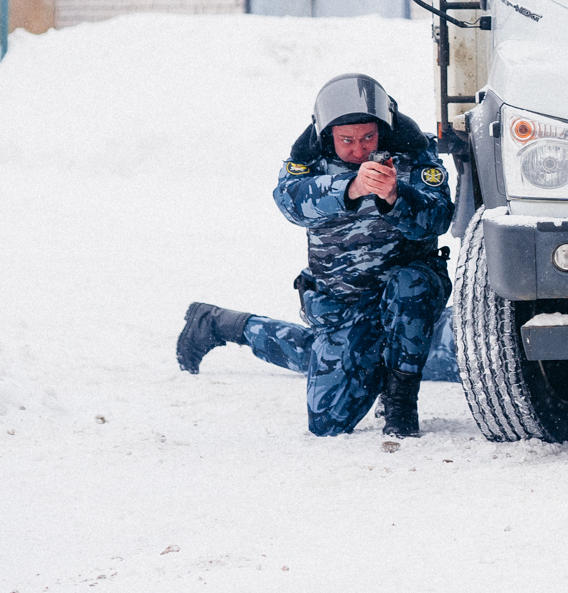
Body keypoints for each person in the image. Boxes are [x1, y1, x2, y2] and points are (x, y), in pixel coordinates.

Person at [176, 74, 454, 437]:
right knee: (329, 420)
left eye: (368, 137)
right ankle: (222, 323)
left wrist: (397, 197)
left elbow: (438, 218)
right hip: (344, 303)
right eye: (347, 141)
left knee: (411, 285)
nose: (360, 150)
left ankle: (400, 401)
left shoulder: (414, 154)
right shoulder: (309, 159)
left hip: (407, 298)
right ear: (328, 135)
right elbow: (290, 203)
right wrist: (350, 188)